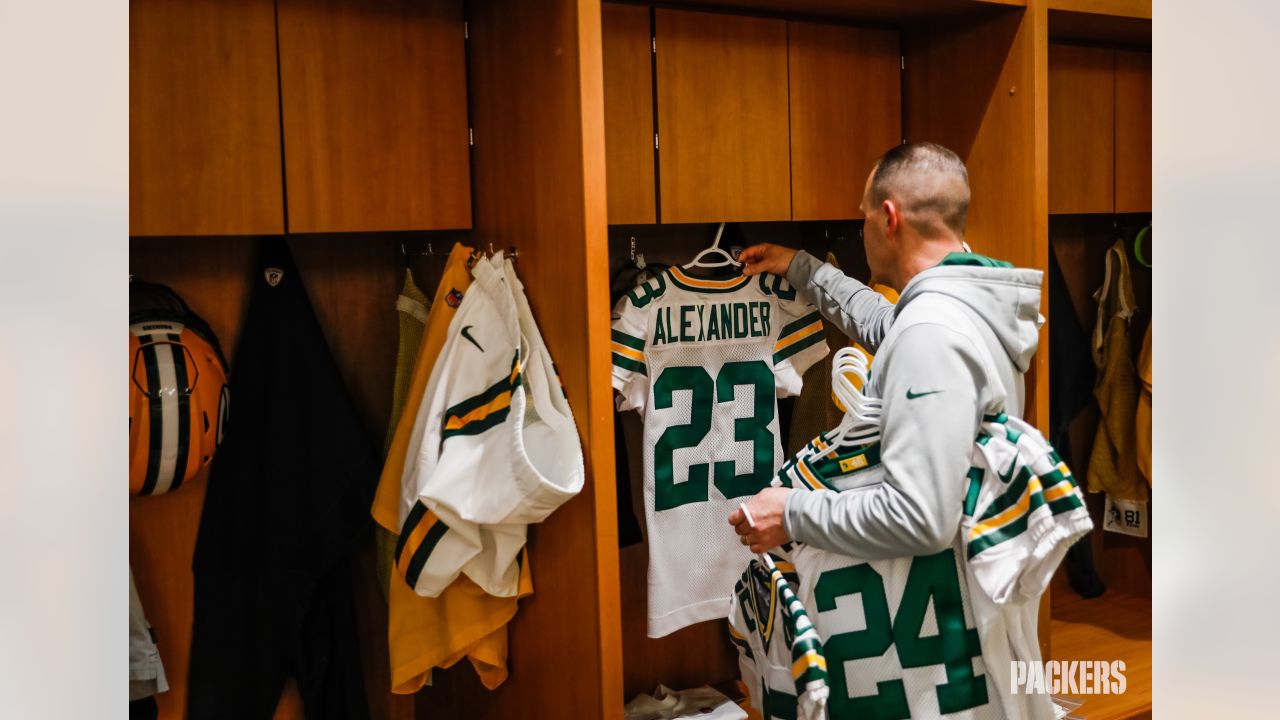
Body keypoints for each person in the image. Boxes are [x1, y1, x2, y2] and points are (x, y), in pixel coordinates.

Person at [728, 141, 1045, 558]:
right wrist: (797, 265)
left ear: (889, 218)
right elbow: (881, 320)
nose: (863, 229)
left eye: (865, 216)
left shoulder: (931, 334)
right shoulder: (970, 304)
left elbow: (922, 518)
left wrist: (792, 513)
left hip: (936, 602)